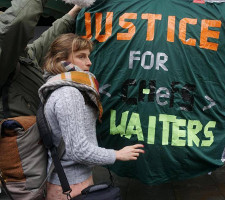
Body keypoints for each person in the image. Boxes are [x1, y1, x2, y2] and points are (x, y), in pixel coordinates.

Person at [38, 33, 145, 200]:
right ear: (61, 59)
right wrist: (117, 154)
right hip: (69, 187)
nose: (89, 62)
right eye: (81, 56)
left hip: (73, 182)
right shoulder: (69, 94)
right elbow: (78, 150)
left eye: (88, 56)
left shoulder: (66, 88)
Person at [0, 0, 82, 122]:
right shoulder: (4, 58)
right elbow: (20, 20)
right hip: (19, 136)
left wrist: (75, 10)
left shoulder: (23, 55)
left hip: (31, 135)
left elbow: (47, 40)